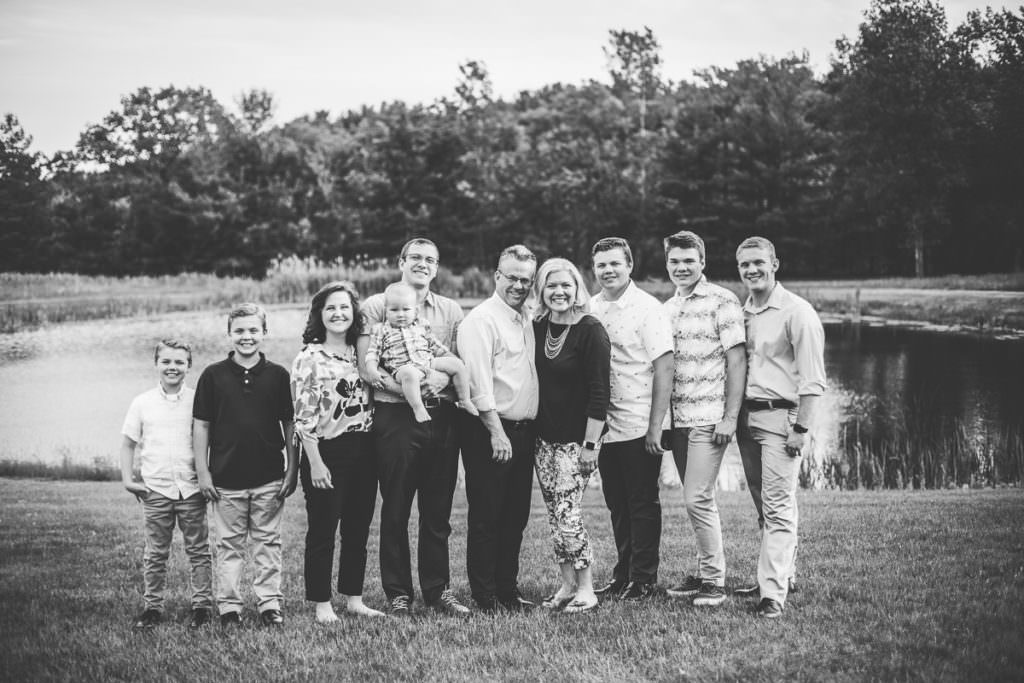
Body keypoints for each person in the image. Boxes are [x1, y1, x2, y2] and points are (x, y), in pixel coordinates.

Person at [359, 238, 470, 617]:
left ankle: (438, 590)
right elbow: (367, 367)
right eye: (416, 258)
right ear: (401, 261)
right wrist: (408, 391)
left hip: (442, 417)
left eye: (430, 260)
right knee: (395, 507)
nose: (423, 264)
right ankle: (398, 592)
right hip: (395, 418)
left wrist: (439, 382)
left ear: (436, 268)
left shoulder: (450, 310)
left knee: (437, 511)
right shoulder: (377, 306)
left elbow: (455, 359)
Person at [733, 236, 826, 619]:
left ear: (775, 264)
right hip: (746, 419)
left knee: (778, 506)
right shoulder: (743, 312)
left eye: (758, 262)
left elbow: (814, 380)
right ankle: (784, 574)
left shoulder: (797, 312)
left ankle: (772, 593)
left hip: (782, 420)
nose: (751, 270)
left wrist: (801, 429)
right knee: (762, 501)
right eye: (744, 264)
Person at [193, 303, 299, 627]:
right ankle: (229, 607)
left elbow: (289, 424)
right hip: (226, 479)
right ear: (229, 333)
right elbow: (201, 425)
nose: (246, 336)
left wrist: (292, 469)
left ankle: (269, 603)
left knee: (268, 543)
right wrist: (203, 471)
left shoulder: (278, 375)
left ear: (264, 333)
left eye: (254, 330)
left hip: (269, 477)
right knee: (229, 546)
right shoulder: (213, 376)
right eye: (239, 330)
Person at [659, 231, 747, 608]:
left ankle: (714, 582)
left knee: (697, 498)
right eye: (675, 261)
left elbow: (737, 361)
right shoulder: (667, 308)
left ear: (702, 262)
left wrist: (730, 417)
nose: (681, 267)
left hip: (709, 418)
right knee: (695, 499)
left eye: (688, 261)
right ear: (667, 264)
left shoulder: (722, 301)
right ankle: (703, 571)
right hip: (678, 420)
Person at [291, 282, 383, 623]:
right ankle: (322, 604)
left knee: (357, 530)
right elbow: (303, 419)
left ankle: (354, 599)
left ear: (354, 313)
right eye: (330, 308)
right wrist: (315, 463)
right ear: (320, 314)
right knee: (323, 530)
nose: (338, 313)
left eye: (344, 307)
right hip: (326, 450)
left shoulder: (362, 354)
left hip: (365, 450)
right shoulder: (309, 358)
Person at [589, 236, 673, 601]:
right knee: (617, 505)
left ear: (629, 265)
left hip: (640, 422)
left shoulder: (647, 308)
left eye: (614, 263)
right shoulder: (590, 307)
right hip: (605, 426)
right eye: (601, 265)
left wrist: (656, 427)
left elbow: (665, 368)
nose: (608, 270)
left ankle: (644, 579)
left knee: (642, 504)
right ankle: (622, 574)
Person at [457, 244, 540, 612]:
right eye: (512, 278)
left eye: (526, 280)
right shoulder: (481, 320)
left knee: (515, 516)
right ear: (497, 276)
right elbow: (478, 384)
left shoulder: (527, 318)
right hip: (490, 430)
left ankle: (508, 589)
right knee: (487, 516)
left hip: (524, 431)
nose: (519, 285)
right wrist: (496, 432)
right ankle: (485, 594)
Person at [532, 258, 610, 614]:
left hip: (578, 441)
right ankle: (566, 585)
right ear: (541, 290)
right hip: (544, 439)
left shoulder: (591, 330)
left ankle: (587, 589)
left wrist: (590, 445)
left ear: (578, 288)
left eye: (566, 285)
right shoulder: (538, 326)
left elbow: (600, 392)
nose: (559, 291)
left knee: (569, 514)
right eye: (551, 285)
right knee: (554, 515)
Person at [120, 339, 212, 631]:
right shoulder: (142, 402)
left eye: (179, 362)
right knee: (156, 552)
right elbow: (128, 443)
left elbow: (210, 440)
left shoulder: (198, 400)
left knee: (199, 550)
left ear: (189, 366)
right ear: (156, 364)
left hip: (191, 489)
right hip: (156, 490)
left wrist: (208, 476)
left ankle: (201, 607)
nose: (173, 367)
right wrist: (128, 479)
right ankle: (153, 608)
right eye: (167, 361)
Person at [364, 282, 478, 423]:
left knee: (457, 364)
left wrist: (450, 360)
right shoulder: (381, 330)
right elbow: (372, 354)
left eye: (406, 309)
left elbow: (436, 346)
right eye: (394, 310)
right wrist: (372, 370)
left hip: (428, 362)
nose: (400, 314)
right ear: (386, 311)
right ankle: (418, 407)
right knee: (410, 375)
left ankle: (464, 400)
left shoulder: (422, 325)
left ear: (416, 311)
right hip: (402, 368)